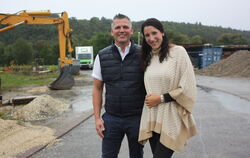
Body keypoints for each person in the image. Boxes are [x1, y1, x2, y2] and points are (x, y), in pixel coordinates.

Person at [138, 18, 197, 158]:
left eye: (154, 33)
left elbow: (187, 86)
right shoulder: (149, 57)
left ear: (162, 33)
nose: (151, 38)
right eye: (147, 35)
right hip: (153, 115)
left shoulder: (178, 52)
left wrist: (160, 98)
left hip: (171, 115)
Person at [92, 14, 146, 158]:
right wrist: (97, 118)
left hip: (137, 118)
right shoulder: (102, 56)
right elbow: (97, 88)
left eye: (125, 27)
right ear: (112, 31)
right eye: (118, 27)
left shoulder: (144, 54)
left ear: (131, 30)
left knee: (137, 155)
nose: (121, 30)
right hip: (111, 119)